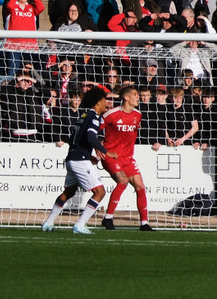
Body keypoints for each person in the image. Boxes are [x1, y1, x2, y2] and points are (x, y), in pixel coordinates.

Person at [41, 87, 111, 234]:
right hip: (79, 160)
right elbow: (91, 137)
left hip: (72, 158)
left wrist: (88, 153)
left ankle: (48, 223)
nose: (107, 104)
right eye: (105, 101)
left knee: (69, 192)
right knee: (100, 192)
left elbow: (75, 138)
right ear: (98, 103)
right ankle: (80, 225)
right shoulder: (94, 117)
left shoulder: (83, 116)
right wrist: (105, 151)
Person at [100, 85, 152, 231]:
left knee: (140, 186)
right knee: (122, 181)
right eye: (135, 94)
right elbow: (94, 131)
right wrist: (99, 147)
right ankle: (108, 218)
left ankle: (144, 223)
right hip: (111, 156)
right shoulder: (111, 114)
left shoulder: (138, 115)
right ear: (126, 98)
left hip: (128, 158)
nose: (138, 97)